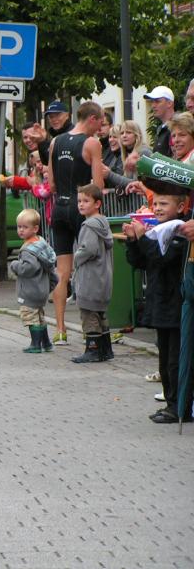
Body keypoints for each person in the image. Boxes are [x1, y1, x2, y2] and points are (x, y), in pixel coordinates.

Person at [124, 192, 188, 423]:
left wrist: (142, 238)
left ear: (180, 207)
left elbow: (162, 258)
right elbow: (141, 261)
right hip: (159, 303)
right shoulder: (157, 231)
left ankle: (180, 405)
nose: (158, 208)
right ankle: (171, 403)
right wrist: (133, 241)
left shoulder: (180, 232)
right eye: (155, 204)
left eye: (164, 204)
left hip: (175, 304)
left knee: (175, 361)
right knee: (164, 360)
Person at [46, 101, 106, 346]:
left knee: (62, 272)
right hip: (81, 209)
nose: (100, 128)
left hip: (59, 209)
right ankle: (90, 329)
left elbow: (51, 184)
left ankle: (60, 330)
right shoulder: (91, 143)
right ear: (92, 118)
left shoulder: (55, 142)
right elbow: (98, 186)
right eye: (100, 122)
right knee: (88, 269)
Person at [71, 184, 113, 363]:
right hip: (102, 277)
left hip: (90, 278)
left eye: (86, 201)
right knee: (100, 313)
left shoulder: (89, 226)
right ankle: (106, 349)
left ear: (97, 204)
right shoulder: (103, 223)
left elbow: (89, 249)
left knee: (88, 314)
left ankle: (93, 350)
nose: (81, 204)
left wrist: (76, 257)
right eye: (79, 201)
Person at [9, 208, 58, 353]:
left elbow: (28, 268)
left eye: (25, 227)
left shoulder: (28, 250)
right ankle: (46, 343)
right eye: (19, 227)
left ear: (35, 228)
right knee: (40, 316)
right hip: (41, 289)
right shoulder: (41, 243)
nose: (21, 230)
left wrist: (15, 265)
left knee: (29, 316)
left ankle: (35, 344)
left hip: (30, 290)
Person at [143, 86, 176, 157]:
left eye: (157, 101)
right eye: (152, 101)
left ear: (169, 103)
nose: (153, 106)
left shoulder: (178, 126)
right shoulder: (161, 129)